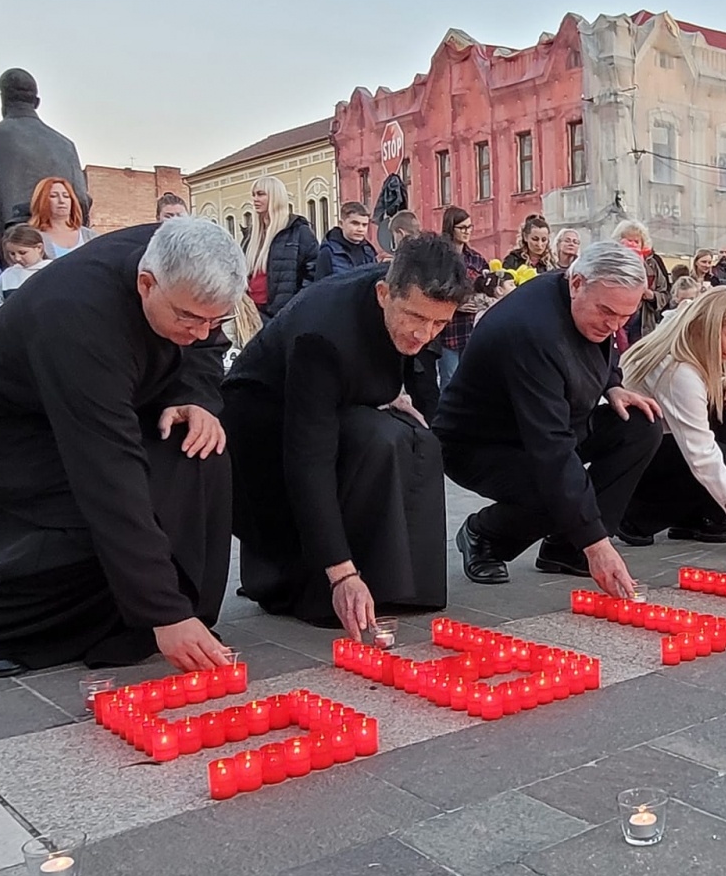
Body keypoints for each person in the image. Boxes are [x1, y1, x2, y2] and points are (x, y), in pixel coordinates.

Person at [0, 218, 244, 676]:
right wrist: (163, 611)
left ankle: (168, 613)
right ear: (146, 283)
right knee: (110, 513)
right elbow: (110, 478)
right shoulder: (80, 318)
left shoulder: (183, 259)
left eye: (217, 318)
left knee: (198, 454)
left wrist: (192, 398)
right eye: (189, 319)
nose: (202, 331)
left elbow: (205, 347)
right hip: (7, 430)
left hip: (111, 405)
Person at [223, 234, 470, 634]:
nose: (424, 333)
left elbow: (420, 375)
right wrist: (339, 573)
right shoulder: (321, 336)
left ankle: (396, 583)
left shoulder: (415, 300)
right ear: (382, 293)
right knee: (376, 438)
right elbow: (308, 459)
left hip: (334, 408)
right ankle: (317, 585)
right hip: (263, 430)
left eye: (439, 323)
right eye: (414, 317)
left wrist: (394, 392)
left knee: (418, 439)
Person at [436, 241, 661, 596]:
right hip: (482, 443)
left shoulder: (590, 304)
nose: (615, 325)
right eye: (607, 312)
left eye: (625, 316)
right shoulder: (531, 330)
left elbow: (598, 349)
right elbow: (551, 449)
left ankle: (567, 549)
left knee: (640, 426)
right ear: (576, 283)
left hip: (551, 423)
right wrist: (598, 544)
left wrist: (612, 385)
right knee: (557, 493)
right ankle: (484, 534)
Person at [617, 287, 726, 549]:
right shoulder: (679, 372)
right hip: (634, 458)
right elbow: (702, 455)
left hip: (650, 441)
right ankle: (637, 516)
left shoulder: (684, 332)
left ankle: (703, 514)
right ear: (708, 329)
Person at [0, 69, 93, 229]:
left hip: (10, 247)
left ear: (3, 99)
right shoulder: (66, 145)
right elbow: (81, 201)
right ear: (37, 102)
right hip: (66, 247)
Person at [240, 176, 318, 319]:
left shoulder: (298, 232)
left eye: (261, 194)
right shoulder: (251, 236)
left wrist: (296, 306)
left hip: (284, 315)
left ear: (275, 196)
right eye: (254, 195)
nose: (255, 199)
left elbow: (312, 273)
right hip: (251, 313)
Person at [437, 207, 492, 388]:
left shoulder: (476, 259)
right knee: (449, 381)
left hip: (472, 327)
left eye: (470, 227)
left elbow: (488, 286)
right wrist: (455, 303)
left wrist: (480, 300)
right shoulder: (440, 257)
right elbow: (433, 288)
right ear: (450, 228)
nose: (467, 231)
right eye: (462, 227)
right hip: (448, 328)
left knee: (472, 380)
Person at [615, 220, 671, 340]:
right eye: (629, 241)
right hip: (617, 317)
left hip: (643, 321)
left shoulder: (652, 264)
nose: (633, 245)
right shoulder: (612, 261)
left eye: (637, 241)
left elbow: (665, 293)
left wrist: (651, 296)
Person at [28, 178, 97, 259]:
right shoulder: (31, 237)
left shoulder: (90, 236)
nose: (61, 201)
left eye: (66, 196)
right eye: (53, 196)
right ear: (41, 201)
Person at [0, 224, 48, 312]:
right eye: (12, 254)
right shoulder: (7, 276)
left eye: (22, 252)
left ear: (39, 248)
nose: (17, 258)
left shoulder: (53, 270)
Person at [314, 201, 378, 280]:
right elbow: (319, 286)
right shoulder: (328, 252)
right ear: (341, 224)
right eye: (355, 223)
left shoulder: (369, 251)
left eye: (364, 225)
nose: (360, 229)